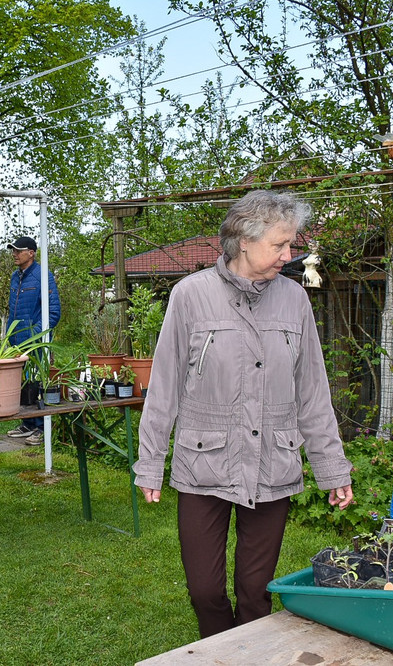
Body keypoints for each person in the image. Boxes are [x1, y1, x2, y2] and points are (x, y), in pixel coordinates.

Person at [132, 190, 354, 638]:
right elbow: (165, 387)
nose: (289, 255)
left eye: (290, 244)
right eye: (280, 245)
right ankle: (218, 651)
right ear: (245, 241)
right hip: (204, 462)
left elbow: (313, 393)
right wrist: (150, 463)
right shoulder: (191, 295)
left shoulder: (295, 299)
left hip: (273, 462)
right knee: (204, 591)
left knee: (255, 591)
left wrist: (332, 468)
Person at [4, 236, 61, 446]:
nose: (15, 254)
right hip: (16, 342)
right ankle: (27, 424)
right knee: (22, 384)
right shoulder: (15, 277)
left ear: (31, 253)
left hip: (37, 342)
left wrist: (34, 335)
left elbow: (53, 313)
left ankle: (41, 428)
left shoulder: (43, 276)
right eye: (13, 250)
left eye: (19, 250)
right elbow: (13, 310)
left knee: (38, 382)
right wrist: (9, 335)